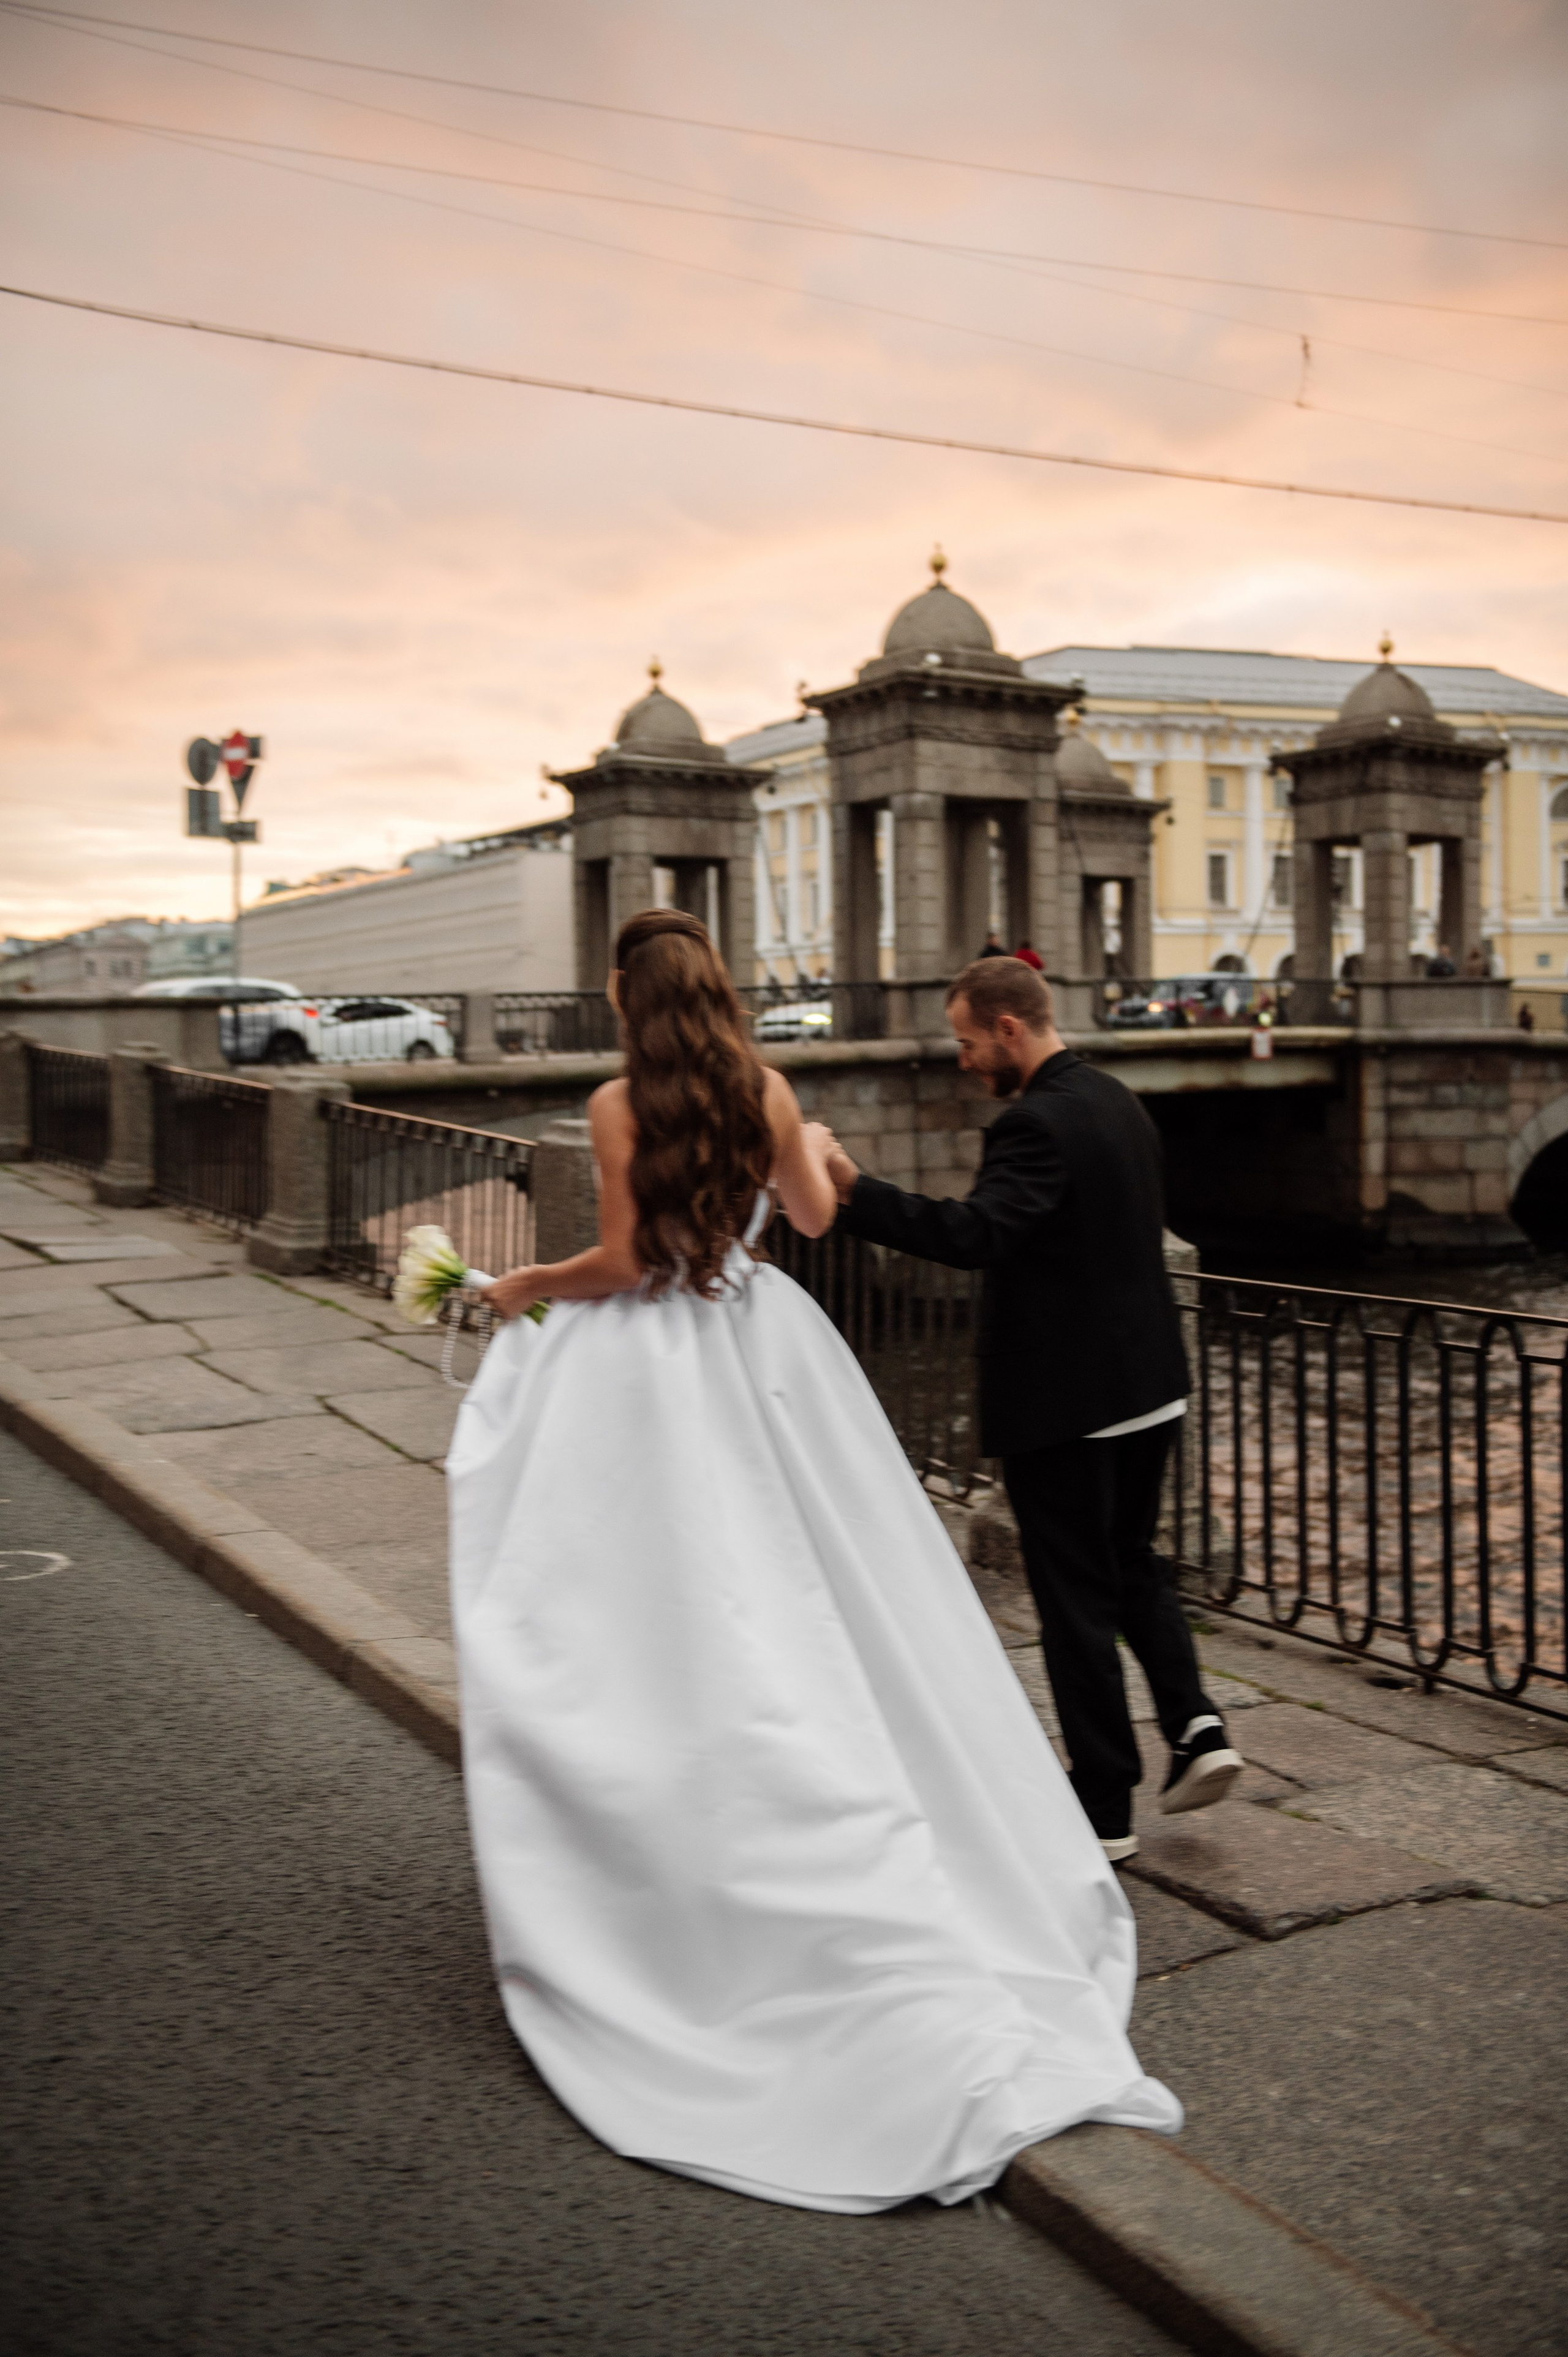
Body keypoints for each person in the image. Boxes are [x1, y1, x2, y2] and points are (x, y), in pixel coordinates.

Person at [448, 910, 1178, 2216]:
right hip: (763, 1341)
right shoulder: (767, 1087)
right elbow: (809, 1214)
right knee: (827, 1588)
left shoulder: (618, 1104)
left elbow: (622, 1263)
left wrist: (521, 1285)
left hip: (653, 1366)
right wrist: (815, 1163)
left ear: (626, 998)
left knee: (655, 1603)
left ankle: (672, 1825)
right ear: (716, 993)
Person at [821, 957, 1242, 1861]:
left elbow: (977, 1236)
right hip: (1151, 1388)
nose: (965, 1061)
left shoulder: (1033, 1125)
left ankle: (1103, 1807)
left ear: (1010, 1029)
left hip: (1070, 1404)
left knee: (1075, 1601)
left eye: (969, 1042)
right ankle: (1198, 1727)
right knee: (1135, 1563)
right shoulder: (1121, 1101)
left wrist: (855, 1193)